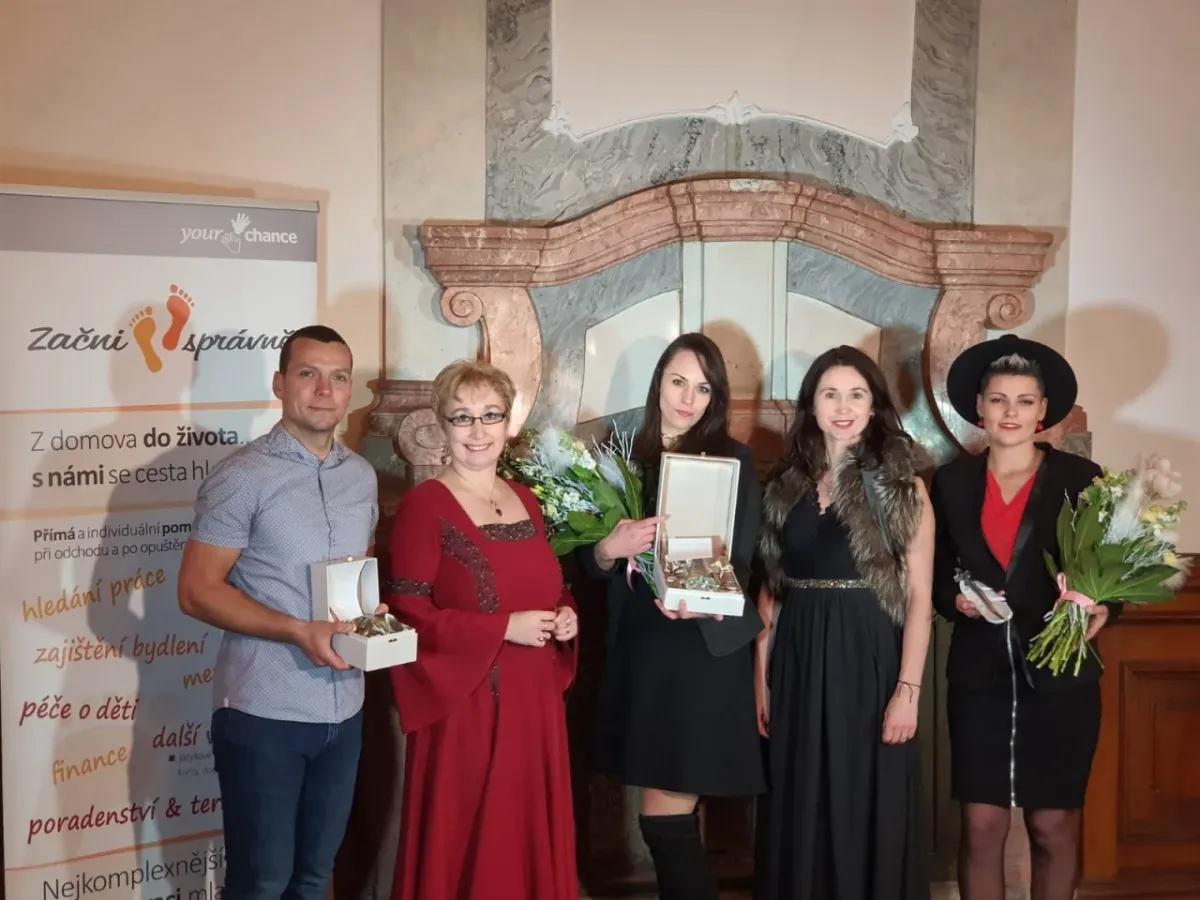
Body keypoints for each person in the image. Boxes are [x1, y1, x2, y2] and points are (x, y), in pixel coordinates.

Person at [177, 325, 381, 900]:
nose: (324, 390)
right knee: (262, 883)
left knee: (315, 878)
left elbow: (355, 573)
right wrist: (295, 629)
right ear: (279, 384)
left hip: (346, 709)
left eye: (338, 377)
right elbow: (195, 591)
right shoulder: (242, 477)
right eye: (308, 374)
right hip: (264, 712)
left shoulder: (360, 476)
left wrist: (371, 615)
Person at [575, 333, 765, 900]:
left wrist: (698, 595)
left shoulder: (733, 458)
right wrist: (607, 549)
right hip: (641, 650)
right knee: (664, 817)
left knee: (665, 817)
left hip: (701, 650)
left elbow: (742, 558)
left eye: (703, 388)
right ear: (658, 382)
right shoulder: (620, 456)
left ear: (716, 397)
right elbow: (586, 561)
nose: (687, 398)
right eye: (678, 382)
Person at [931, 334, 1119, 900]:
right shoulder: (950, 483)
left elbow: (1112, 566)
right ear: (979, 408)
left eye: (1024, 401)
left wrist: (1105, 606)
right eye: (998, 400)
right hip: (978, 679)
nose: (1010, 412)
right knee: (981, 827)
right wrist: (954, 599)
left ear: (1043, 410)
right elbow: (934, 574)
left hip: (1060, 681)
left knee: (1051, 826)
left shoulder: (1082, 478)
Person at [384, 359, 579, 900]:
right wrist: (502, 629)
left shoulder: (528, 500)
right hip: (467, 708)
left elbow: (549, 588)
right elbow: (406, 612)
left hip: (534, 702)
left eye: (490, 415)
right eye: (462, 416)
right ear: (442, 425)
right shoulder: (424, 506)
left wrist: (566, 615)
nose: (478, 430)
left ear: (508, 423)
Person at [754, 345, 934, 900]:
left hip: (869, 655)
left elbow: (920, 597)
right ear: (811, 404)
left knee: (863, 792)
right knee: (799, 791)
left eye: (856, 395)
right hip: (797, 656)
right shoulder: (784, 484)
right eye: (830, 394)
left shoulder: (903, 486)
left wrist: (908, 692)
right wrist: (760, 679)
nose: (843, 407)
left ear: (874, 406)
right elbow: (769, 592)